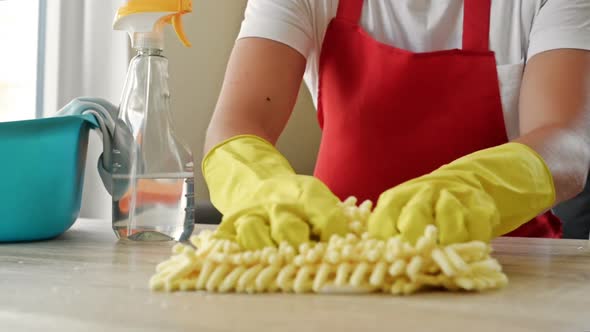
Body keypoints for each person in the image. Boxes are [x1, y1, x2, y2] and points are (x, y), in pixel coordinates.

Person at [201, 0, 590, 249]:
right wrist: (264, 190)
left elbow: (567, 142)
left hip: (506, 267)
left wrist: (473, 189)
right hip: (339, 268)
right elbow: (237, 124)